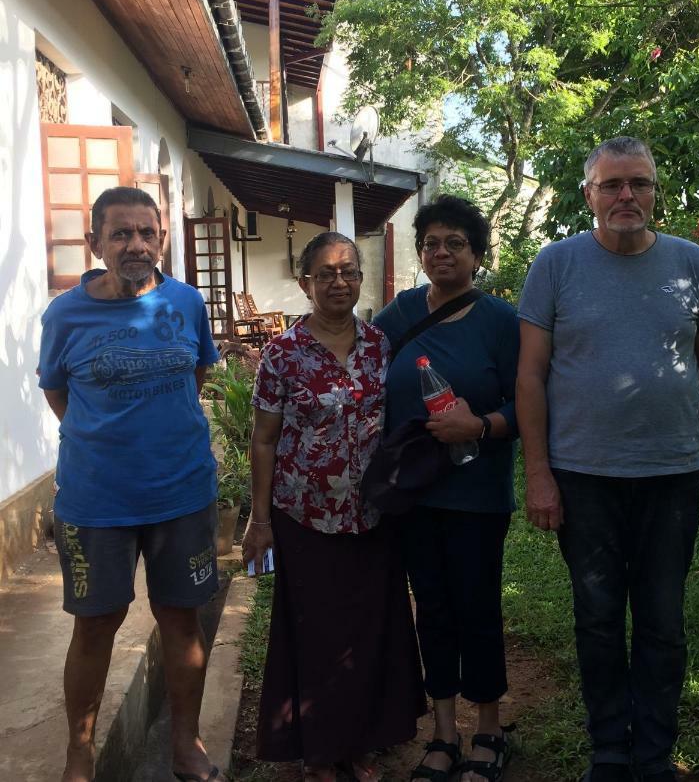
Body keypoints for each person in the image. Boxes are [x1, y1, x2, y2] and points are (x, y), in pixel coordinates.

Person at [516, 137, 699, 782]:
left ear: (656, 191)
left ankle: (654, 753)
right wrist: (540, 475)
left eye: (638, 183)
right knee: (599, 618)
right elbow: (530, 375)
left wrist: (675, 425)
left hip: (671, 475)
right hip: (584, 477)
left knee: (663, 620)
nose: (626, 196)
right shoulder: (556, 265)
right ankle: (610, 749)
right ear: (589, 195)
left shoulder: (692, 263)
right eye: (611, 185)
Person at [38, 187, 222, 782]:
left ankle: (185, 744)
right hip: (96, 501)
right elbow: (58, 392)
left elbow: (193, 376)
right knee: (94, 625)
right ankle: (79, 753)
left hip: (182, 496)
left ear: (162, 238)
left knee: (181, 619)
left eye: (146, 232)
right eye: (120, 234)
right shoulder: (65, 314)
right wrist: (107, 444)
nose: (135, 244)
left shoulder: (188, 303)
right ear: (96, 243)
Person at [242, 231, 425, 782]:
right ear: (306, 283)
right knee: (317, 634)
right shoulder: (282, 355)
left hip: (372, 517)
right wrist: (258, 520)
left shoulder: (379, 347)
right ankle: (320, 752)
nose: (339, 281)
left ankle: (360, 742)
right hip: (304, 517)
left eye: (348, 271)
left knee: (369, 632)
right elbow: (264, 439)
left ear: (361, 279)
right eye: (326, 273)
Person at [374, 195, 520, 782]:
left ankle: (488, 727)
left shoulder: (501, 321)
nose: (441, 253)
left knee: (477, 607)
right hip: (413, 494)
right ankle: (442, 733)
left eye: (455, 243)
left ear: (478, 255)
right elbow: (358, 365)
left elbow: (530, 401)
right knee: (431, 609)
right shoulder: (399, 312)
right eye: (431, 243)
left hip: (477, 494)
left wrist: (480, 426)